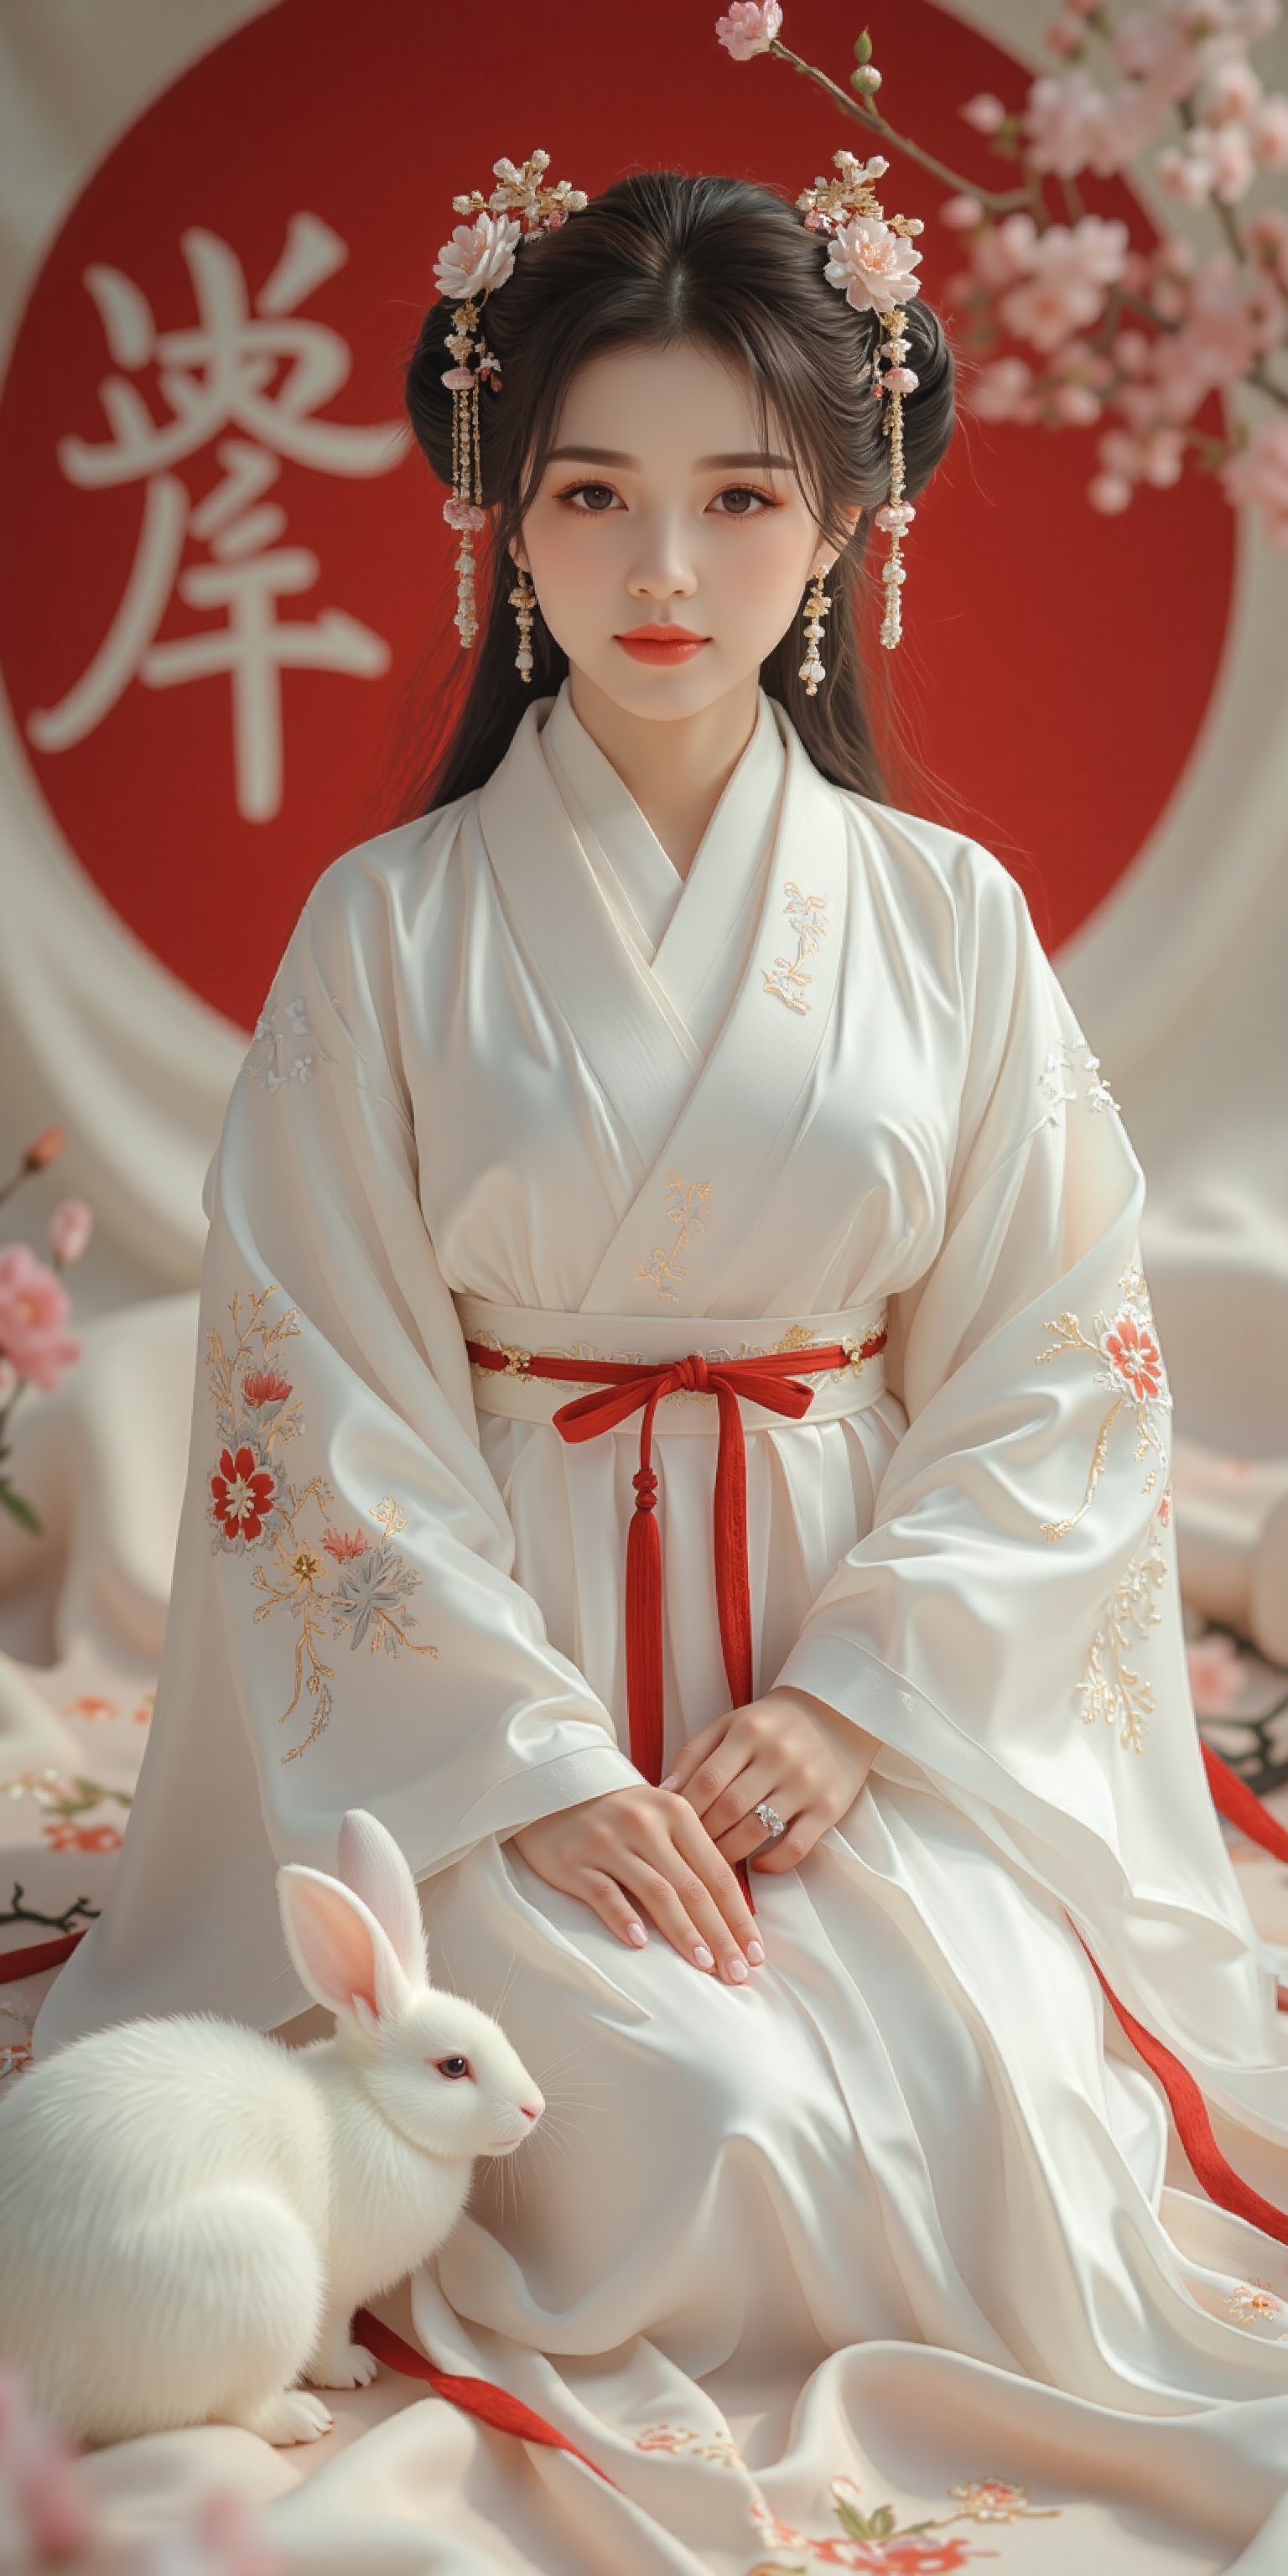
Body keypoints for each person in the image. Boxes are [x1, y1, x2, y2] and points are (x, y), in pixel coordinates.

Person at [34, 157, 1288, 2555]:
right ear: (508, 517)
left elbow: (1066, 1357)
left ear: (844, 525)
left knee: (978, 2095)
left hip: (848, 1673)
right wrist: (524, 1769)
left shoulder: (943, 920)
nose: (667, 572)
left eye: (742, 497)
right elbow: (313, 1401)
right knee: (710, 2115)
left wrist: (857, 1700)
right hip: (493, 1707)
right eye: (596, 496)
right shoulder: (388, 934)